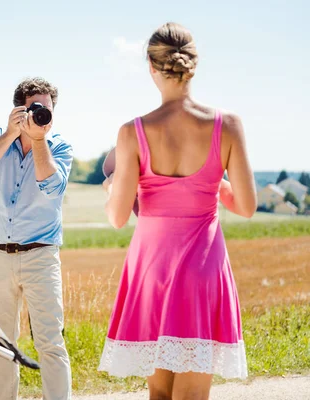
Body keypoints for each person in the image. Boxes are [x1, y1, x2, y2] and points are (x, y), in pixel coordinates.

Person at [98, 22, 257, 400]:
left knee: (160, 395)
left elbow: (117, 217)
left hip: (151, 268)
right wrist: (208, 182)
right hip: (203, 268)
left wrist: (112, 187)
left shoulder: (131, 132)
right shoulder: (228, 125)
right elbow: (247, 207)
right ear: (193, 66)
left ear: (152, 69)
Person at [0, 77, 73, 399]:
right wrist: (11, 133)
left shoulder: (59, 146)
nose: (41, 115)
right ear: (18, 109)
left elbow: (52, 187)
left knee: (50, 341)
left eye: (47, 109)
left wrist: (38, 140)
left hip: (41, 256)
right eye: (34, 108)